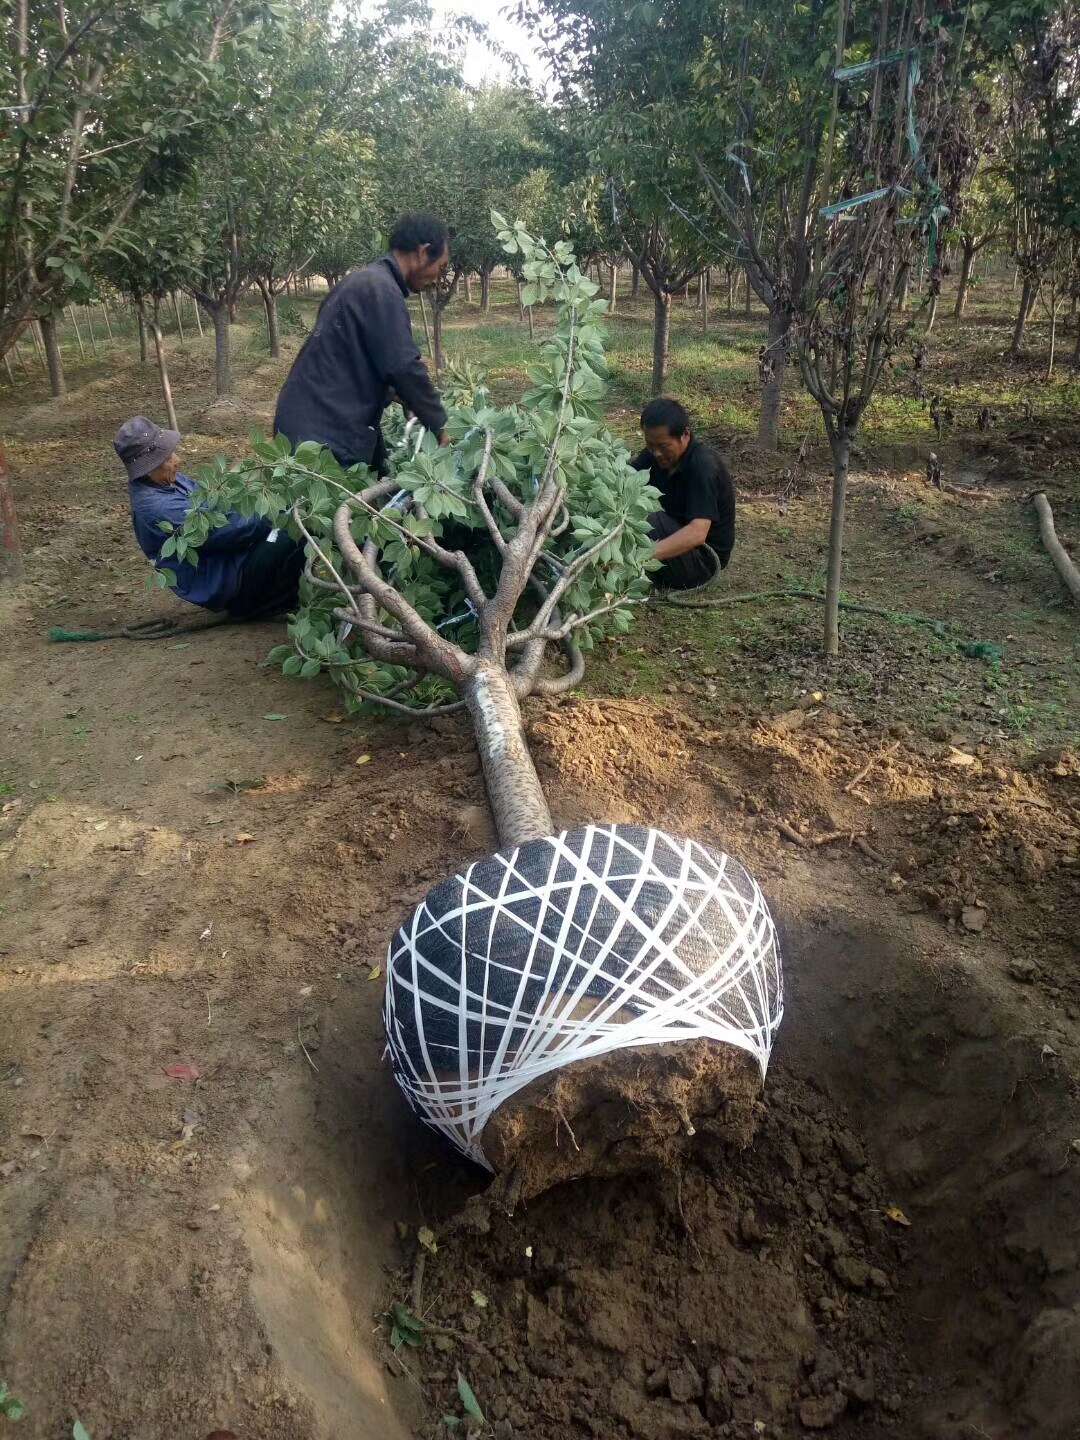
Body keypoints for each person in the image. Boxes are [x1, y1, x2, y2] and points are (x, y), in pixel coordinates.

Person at [273, 213, 452, 473]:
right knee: (335, 509)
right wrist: (441, 425)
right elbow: (403, 366)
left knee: (373, 484)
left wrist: (401, 397)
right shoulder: (381, 290)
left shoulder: (366, 282)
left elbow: (355, 360)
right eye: (442, 267)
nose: (438, 279)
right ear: (424, 252)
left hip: (308, 421)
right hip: (321, 435)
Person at [114, 416, 305, 619]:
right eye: (168, 458)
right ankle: (266, 603)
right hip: (233, 582)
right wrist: (276, 510)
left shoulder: (165, 480)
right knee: (293, 529)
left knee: (288, 521)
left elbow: (212, 500)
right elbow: (232, 530)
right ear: (148, 466)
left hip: (235, 560)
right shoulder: (158, 508)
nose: (178, 461)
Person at [631, 397, 735, 591]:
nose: (656, 453)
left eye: (663, 446)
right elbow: (627, 477)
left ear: (685, 434)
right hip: (672, 543)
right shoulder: (653, 455)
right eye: (650, 445)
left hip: (702, 563)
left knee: (647, 518)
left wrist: (641, 556)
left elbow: (697, 533)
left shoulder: (703, 466)